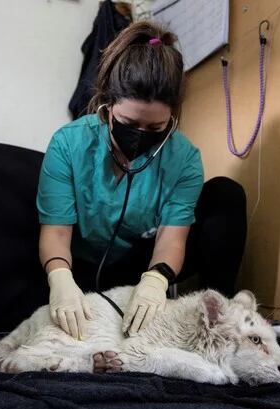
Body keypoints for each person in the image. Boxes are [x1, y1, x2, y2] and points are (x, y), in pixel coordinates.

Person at [37, 21, 247, 341]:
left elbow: (172, 238)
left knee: (226, 194)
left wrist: (156, 281)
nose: (139, 136)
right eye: (128, 122)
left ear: (172, 118)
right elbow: (55, 231)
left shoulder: (185, 159)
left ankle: (221, 324)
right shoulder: (69, 144)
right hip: (78, 265)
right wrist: (60, 280)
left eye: (155, 128)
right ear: (108, 107)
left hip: (142, 264)